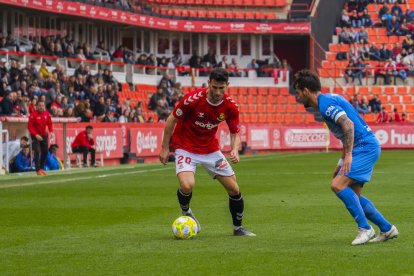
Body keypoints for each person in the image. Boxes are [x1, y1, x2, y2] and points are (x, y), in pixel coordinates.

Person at [293, 69, 398, 245]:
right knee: (354, 196)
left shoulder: (325, 104)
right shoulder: (328, 100)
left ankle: (365, 228)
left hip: (363, 147)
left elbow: (348, 125)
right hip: (364, 146)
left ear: (305, 90)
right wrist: (342, 161)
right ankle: (387, 229)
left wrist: (348, 155)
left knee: (337, 185)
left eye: (298, 93)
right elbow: (345, 132)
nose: (297, 97)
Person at [159, 68, 255, 237]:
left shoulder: (231, 106)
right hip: (185, 146)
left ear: (227, 86)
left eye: (221, 88)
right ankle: (186, 211)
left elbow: (235, 132)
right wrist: (165, 148)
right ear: (209, 83)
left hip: (210, 149)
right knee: (187, 185)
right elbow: (171, 119)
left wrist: (234, 148)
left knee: (234, 188)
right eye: (215, 87)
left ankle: (238, 228)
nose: (218, 92)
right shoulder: (193, 99)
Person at [28, 100, 53, 176]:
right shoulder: (33, 114)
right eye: (40, 105)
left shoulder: (47, 114)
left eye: (42, 105)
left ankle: (41, 168)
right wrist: (35, 135)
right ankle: (37, 169)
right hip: (35, 136)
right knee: (37, 151)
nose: (41, 107)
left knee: (45, 152)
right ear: (37, 106)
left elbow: (50, 123)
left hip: (44, 135)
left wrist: (51, 132)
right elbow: (30, 126)